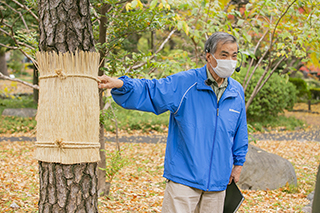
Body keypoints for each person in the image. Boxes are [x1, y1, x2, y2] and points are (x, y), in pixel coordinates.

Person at [98, 32, 248, 213]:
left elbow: (240, 131)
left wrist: (238, 164)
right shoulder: (185, 83)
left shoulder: (236, 91)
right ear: (209, 56)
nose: (230, 61)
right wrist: (121, 84)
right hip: (184, 179)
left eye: (234, 56)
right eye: (224, 55)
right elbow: (152, 90)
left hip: (218, 182)